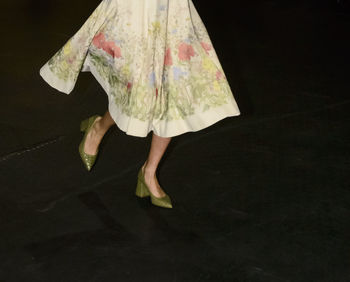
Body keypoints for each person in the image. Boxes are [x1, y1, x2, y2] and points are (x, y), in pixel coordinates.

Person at [39, 0, 241, 209]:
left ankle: (149, 172)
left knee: (173, 87)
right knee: (136, 92)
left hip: (173, 8)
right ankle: (98, 127)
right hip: (136, 10)